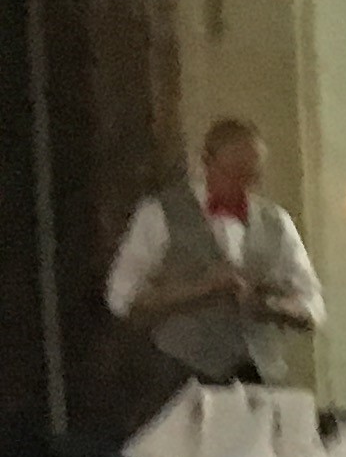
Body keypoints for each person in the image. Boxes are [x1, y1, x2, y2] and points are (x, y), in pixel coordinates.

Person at [104, 117, 324, 388]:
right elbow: (121, 299)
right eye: (232, 174)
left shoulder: (277, 222)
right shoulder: (159, 214)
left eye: (251, 176)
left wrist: (268, 306)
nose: (243, 187)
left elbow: (312, 306)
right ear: (206, 163)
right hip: (183, 378)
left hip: (262, 379)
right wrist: (202, 289)